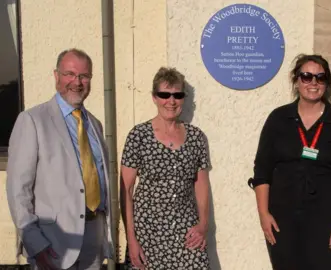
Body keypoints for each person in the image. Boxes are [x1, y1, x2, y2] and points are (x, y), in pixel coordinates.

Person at [6, 48, 115, 269]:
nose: (77, 82)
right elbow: (18, 190)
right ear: (56, 76)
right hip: (53, 243)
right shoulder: (32, 120)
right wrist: (35, 244)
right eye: (70, 74)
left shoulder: (94, 125)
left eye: (84, 76)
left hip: (93, 239)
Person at [248, 54, 331, 269]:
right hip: (282, 220)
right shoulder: (278, 119)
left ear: (327, 83)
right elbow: (262, 170)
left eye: (320, 77)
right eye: (306, 76)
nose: (313, 83)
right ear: (296, 81)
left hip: (323, 221)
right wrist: (264, 214)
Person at [120, 67, 211, 269]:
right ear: (154, 97)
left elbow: (201, 184)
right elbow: (125, 189)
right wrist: (131, 239)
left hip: (187, 232)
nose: (171, 101)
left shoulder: (196, 137)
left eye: (177, 95)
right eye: (164, 95)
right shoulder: (139, 136)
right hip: (147, 233)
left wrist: (203, 224)